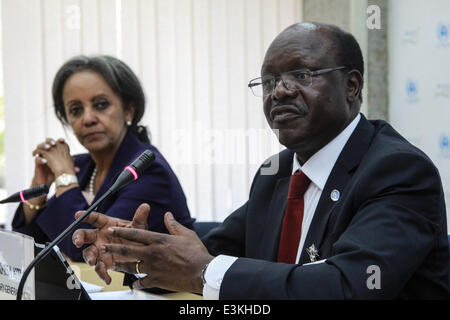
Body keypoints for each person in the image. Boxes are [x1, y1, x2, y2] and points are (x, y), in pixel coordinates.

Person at [73, 23, 449, 299]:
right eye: (268, 82)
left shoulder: (397, 171)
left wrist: (202, 272)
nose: (280, 91)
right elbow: (213, 248)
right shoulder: (277, 173)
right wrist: (132, 250)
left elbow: (347, 287)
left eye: (302, 74)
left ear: (352, 86)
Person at [12, 55, 194, 263]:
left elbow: (88, 248)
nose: (87, 119)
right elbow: (24, 248)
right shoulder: (82, 167)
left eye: (100, 105)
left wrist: (64, 177)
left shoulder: (149, 171)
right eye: (76, 110)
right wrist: (39, 189)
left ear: (129, 110)